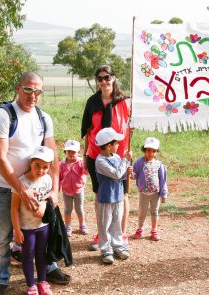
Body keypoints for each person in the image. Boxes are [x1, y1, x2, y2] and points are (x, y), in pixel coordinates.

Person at [0, 72, 70, 295]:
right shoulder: (4, 116)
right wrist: (21, 189)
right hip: (8, 188)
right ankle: (0, 279)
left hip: (40, 188)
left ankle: (49, 267)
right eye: (28, 89)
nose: (32, 95)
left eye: (37, 91)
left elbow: (52, 156)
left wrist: (54, 190)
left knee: (45, 230)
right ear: (18, 88)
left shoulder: (44, 118)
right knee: (4, 234)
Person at [81, 65, 131, 251]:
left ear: (114, 78)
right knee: (99, 195)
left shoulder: (125, 103)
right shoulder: (92, 102)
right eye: (100, 78)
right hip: (96, 155)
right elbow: (88, 130)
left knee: (122, 195)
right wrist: (86, 154)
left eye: (107, 77)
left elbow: (130, 126)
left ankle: (121, 233)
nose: (103, 81)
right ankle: (102, 234)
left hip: (120, 157)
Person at [11, 146, 54, 295]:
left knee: (41, 254)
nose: (41, 170)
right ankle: (31, 285)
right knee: (28, 256)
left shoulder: (47, 179)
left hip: (43, 226)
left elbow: (51, 196)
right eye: (37, 165)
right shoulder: (21, 183)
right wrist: (17, 230)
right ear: (31, 162)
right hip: (27, 227)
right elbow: (14, 209)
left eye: (45, 167)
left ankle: (42, 281)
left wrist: (44, 204)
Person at [94, 127, 132, 264]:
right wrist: (126, 161)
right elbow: (115, 174)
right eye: (116, 143)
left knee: (116, 222)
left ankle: (117, 245)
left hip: (118, 196)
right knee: (105, 224)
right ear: (109, 146)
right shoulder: (100, 161)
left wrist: (129, 173)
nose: (118, 145)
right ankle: (106, 249)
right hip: (106, 198)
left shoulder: (116, 157)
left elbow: (121, 176)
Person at [131, 137, 168, 241]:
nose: (150, 153)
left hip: (155, 194)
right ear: (144, 150)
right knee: (142, 212)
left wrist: (163, 194)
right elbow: (134, 176)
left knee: (154, 212)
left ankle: (154, 230)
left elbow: (163, 180)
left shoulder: (159, 165)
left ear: (156, 152)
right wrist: (130, 173)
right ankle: (139, 229)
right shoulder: (139, 162)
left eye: (153, 151)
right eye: (148, 150)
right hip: (143, 193)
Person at [59, 139, 87, 237]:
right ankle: (68, 226)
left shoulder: (81, 162)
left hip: (78, 190)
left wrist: (86, 165)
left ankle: (82, 225)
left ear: (78, 152)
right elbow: (59, 176)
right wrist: (58, 187)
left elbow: (86, 172)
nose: (71, 154)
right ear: (65, 152)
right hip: (66, 190)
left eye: (73, 152)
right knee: (67, 209)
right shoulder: (62, 164)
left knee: (79, 209)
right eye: (68, 151)